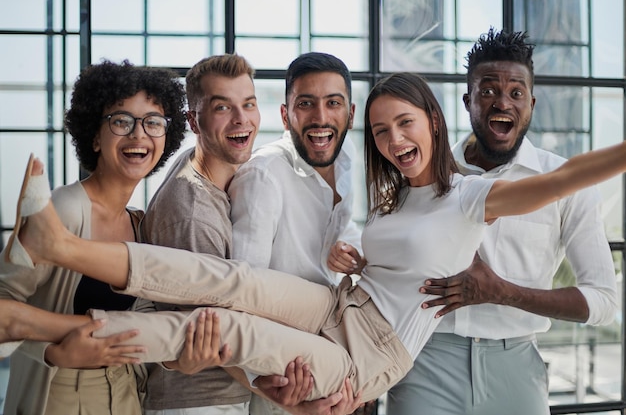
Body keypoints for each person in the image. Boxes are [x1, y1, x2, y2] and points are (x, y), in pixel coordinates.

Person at [3, 71, 626, 405]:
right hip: (339, 306)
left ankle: (61, 329)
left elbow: (566, 176)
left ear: (433, 121)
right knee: (235, 282)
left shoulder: (472, 198)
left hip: (370, 356)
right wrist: (346, 261)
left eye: (403, 124)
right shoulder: (390, 197)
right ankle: (60, 245)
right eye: (380, 131)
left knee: (235, 326)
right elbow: (378, 263)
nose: (391, 141)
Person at [385, 28, 618, 415]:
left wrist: (503, 292)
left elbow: (604, 302)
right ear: (468, 100)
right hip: (425, 361)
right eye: (488, 90)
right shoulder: (422, 173)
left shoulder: (563, 183)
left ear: (531, 102)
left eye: (516, 93)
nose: (502, 103)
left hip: (516, 367)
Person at [137, 53, 358, 415]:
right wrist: (287, 401)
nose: (242, 119)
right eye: (223, 108)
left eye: (249, 104)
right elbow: (217, 332)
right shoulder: (194, 215)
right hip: (201, 400)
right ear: (194, 120)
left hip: (228, 392)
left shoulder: (203, 170)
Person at [0, 60, 187, 415]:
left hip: (126, 392)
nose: (138, 135)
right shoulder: (65, 209)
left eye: (153, 122)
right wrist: (52, 351)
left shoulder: (141, 225)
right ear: (95, 137)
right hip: (61, 392)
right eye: (121, 121)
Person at [227, 52, 366, 415]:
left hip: (330, 357)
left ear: (350, 113)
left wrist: (351, 249)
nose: (321, 117)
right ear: (286, 116)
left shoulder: (348, 158)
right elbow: (242, 290)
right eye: (306, 104)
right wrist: (263, 381)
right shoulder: (264, 176)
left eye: (333, 103)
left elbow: (346, 228)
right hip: (282, 376)